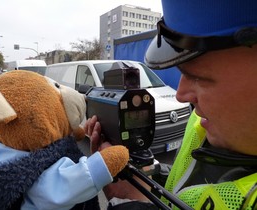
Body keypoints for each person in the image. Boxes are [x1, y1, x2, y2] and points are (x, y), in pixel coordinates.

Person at [84, 0, 257, 209]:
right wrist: (144, 174)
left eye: (199, 78)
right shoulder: (202, 123)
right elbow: (187, 184)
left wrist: (128, 201)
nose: (181, 95)